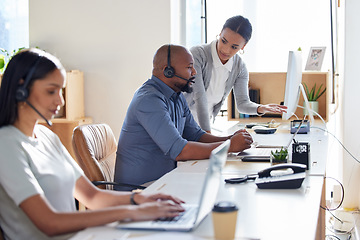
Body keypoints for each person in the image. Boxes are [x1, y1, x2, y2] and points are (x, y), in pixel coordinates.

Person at [0, 48, 185, 240]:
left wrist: (137, 198)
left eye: (61, 91)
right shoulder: (6, 145)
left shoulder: (47, 136)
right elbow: (50, 223)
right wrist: (131, 212)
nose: (60, 101)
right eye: (51, 91)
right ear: (21, 89)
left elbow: (91, 196)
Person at [114, 44, 253, 190]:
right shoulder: (149, 100)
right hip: (140, 189)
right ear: (168, 71)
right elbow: (180, 151)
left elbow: (196, 135)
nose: (194, 72)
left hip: (163, 182)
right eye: (189, 67)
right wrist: (229, 146)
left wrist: (229, 139)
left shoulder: (177, 96)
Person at [184, 15, 287, 132]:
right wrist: (207, 134)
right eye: (223, 41)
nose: (226, 50)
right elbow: (199, 97)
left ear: (243, 46)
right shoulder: (198, 54)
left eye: (234, 47)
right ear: (220, 33)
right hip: (182, 124)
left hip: (203, 128)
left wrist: (260, 108)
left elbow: (242, 103)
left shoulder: (239, 67)